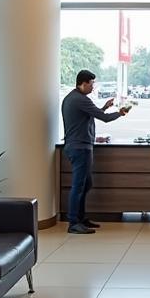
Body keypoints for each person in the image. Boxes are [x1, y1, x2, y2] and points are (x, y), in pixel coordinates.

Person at [61, 69, 128, 234]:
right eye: (92, 84)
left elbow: (94, 113)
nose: (93, 87)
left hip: (78, 146)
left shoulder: (73, 98)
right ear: (83, 83)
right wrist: (120, 113)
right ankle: (73, 222)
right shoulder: (80, 99)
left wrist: (104, 107)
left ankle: (81, 218)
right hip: (80, 147)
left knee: (86, 184)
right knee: (78, 186)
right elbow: (103, 118)